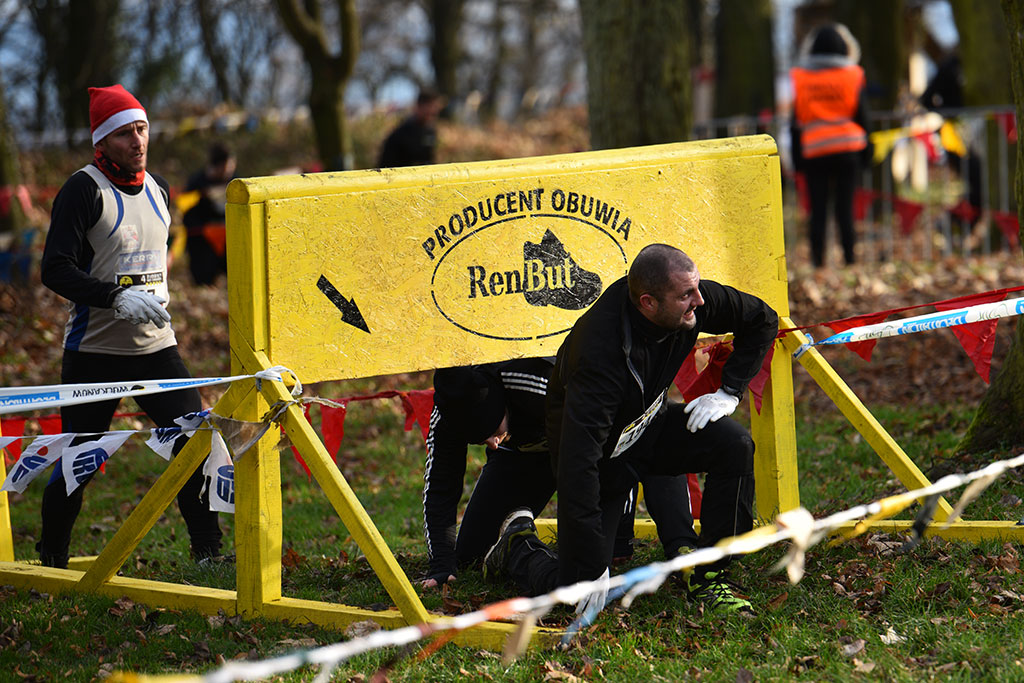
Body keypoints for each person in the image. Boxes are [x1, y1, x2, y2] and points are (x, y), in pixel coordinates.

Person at [484, 244, 778, 614]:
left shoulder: (690, 300)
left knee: (734, 444)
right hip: (601, 460)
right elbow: (577, 466)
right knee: (577, 594)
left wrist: (730, 391)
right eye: (686, 295)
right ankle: (518, 546)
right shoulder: (599, 354)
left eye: (697, 287)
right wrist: (592, 565)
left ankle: (711, 576)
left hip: (650, 429)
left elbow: (762, 318)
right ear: (648, 303)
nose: (699, 301)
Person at [38, 84, 224, 568]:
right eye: (124, 133)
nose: (137, 140)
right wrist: (115, 296)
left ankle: (208, 552)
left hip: (158, 349)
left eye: (141, 129)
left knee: (193, 444)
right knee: (79, 462)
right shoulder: (83, 190)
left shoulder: (160, 188)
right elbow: (54, 269)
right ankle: (52, 560)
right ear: (102, 141)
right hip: (94, 354)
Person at [423, 357, 698, 588]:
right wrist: (441, 562)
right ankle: (515, 545)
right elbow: (440, 485)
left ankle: (682, 548)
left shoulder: (545, 382)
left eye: (494, 430)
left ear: (502, 403)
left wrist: (621, 531)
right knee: (471, 553)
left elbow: (626, 433)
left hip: (597, 444)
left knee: (656, 439)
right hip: (525, 457)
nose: (492, 443)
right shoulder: (448, 413)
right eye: (480, 440)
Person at [790, 23, 871, 268]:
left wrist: (797, 158)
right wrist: (867, 152)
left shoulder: (800, 77)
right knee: (845, 209)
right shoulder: (853, 74)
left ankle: (818, 261)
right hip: (848, 150)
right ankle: (849, 259)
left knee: (817, 211)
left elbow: (795, 122)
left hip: (814, 151)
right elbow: (862, 115)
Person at [182, 142, 236, 286]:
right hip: (202, 241)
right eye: (226, 166)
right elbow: (185, 210)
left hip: (228, 238)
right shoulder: (197, 182)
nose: (229, 170)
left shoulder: (234, 181)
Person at [377, 89, 444, 168]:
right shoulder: (402, 133)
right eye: (431, 108)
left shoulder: (430, 132)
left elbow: (428, 158)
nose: (434, 112)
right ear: (419, 106)